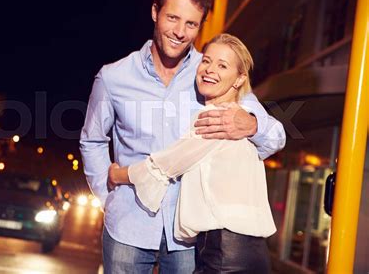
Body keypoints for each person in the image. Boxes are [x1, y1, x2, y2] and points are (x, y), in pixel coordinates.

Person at [80, 0, 285, 274]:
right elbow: (93, 141)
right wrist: (106, 197)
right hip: (128, 227)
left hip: (189, 237)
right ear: (154, 12)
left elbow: (276, 136)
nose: (179, 32)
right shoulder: (113, 77)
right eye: (172, 18)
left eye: (191, 24)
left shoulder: (214, 73)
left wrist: (253, 124)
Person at [108, 33, 276, 273]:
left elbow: (162, 166)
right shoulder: (241, 117)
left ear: (239, 80)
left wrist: (117, 174)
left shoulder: (219, 118)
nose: (209, 69)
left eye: (222, 65)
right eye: (206, 61)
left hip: (224, 253)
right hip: (250, 252)